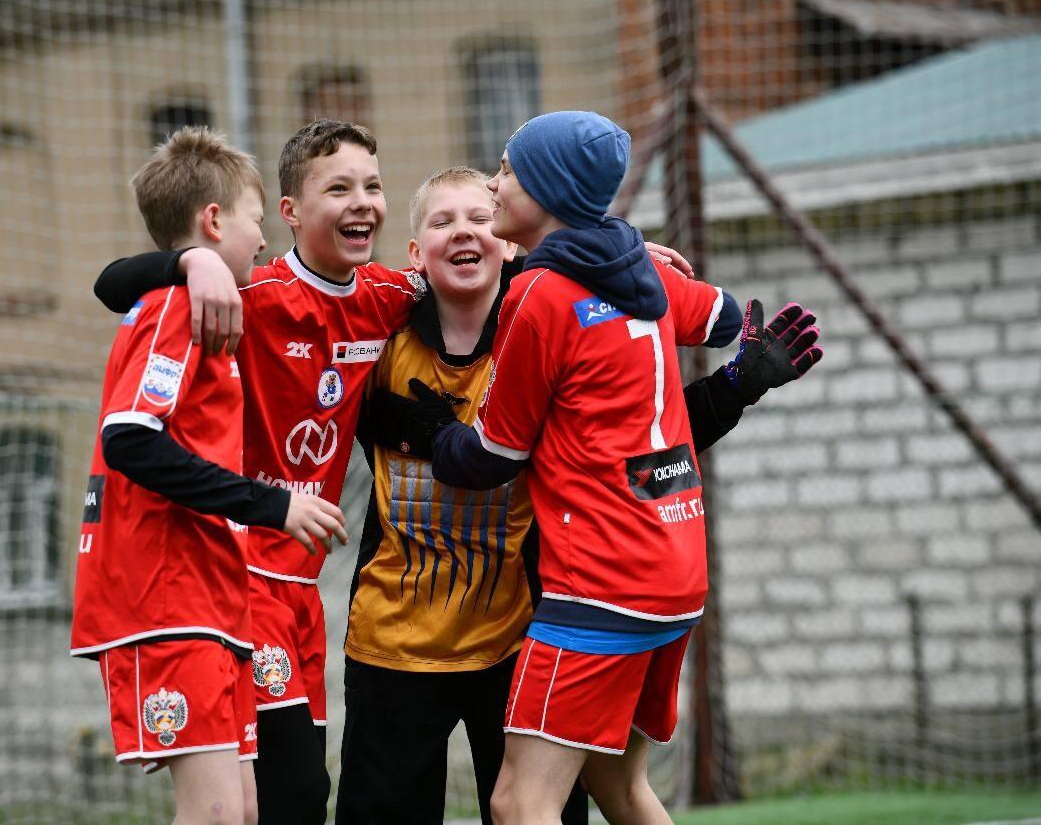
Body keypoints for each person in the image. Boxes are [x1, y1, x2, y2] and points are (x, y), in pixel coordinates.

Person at [334, 167, 821, 824]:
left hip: (522, 632)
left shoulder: (551, 313)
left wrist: (735, 385)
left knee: (538, 805)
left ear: (509, 242)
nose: (464, 232)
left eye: (480, 216)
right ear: (415, 254)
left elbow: (641, 444)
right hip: (393, 643)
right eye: (442, 222)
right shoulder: (379, 336)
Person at [92, 119, 427, 824]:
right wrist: (192, 262)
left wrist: (610, 253)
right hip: (238, 574)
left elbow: (485, 275)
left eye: (373, 185)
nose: (362, 201)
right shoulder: (247, 292)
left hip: (301, 586)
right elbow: (113, 284)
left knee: (286, 800)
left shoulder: (386, 295)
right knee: (285, 794)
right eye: (339, 187)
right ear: (289, 213)